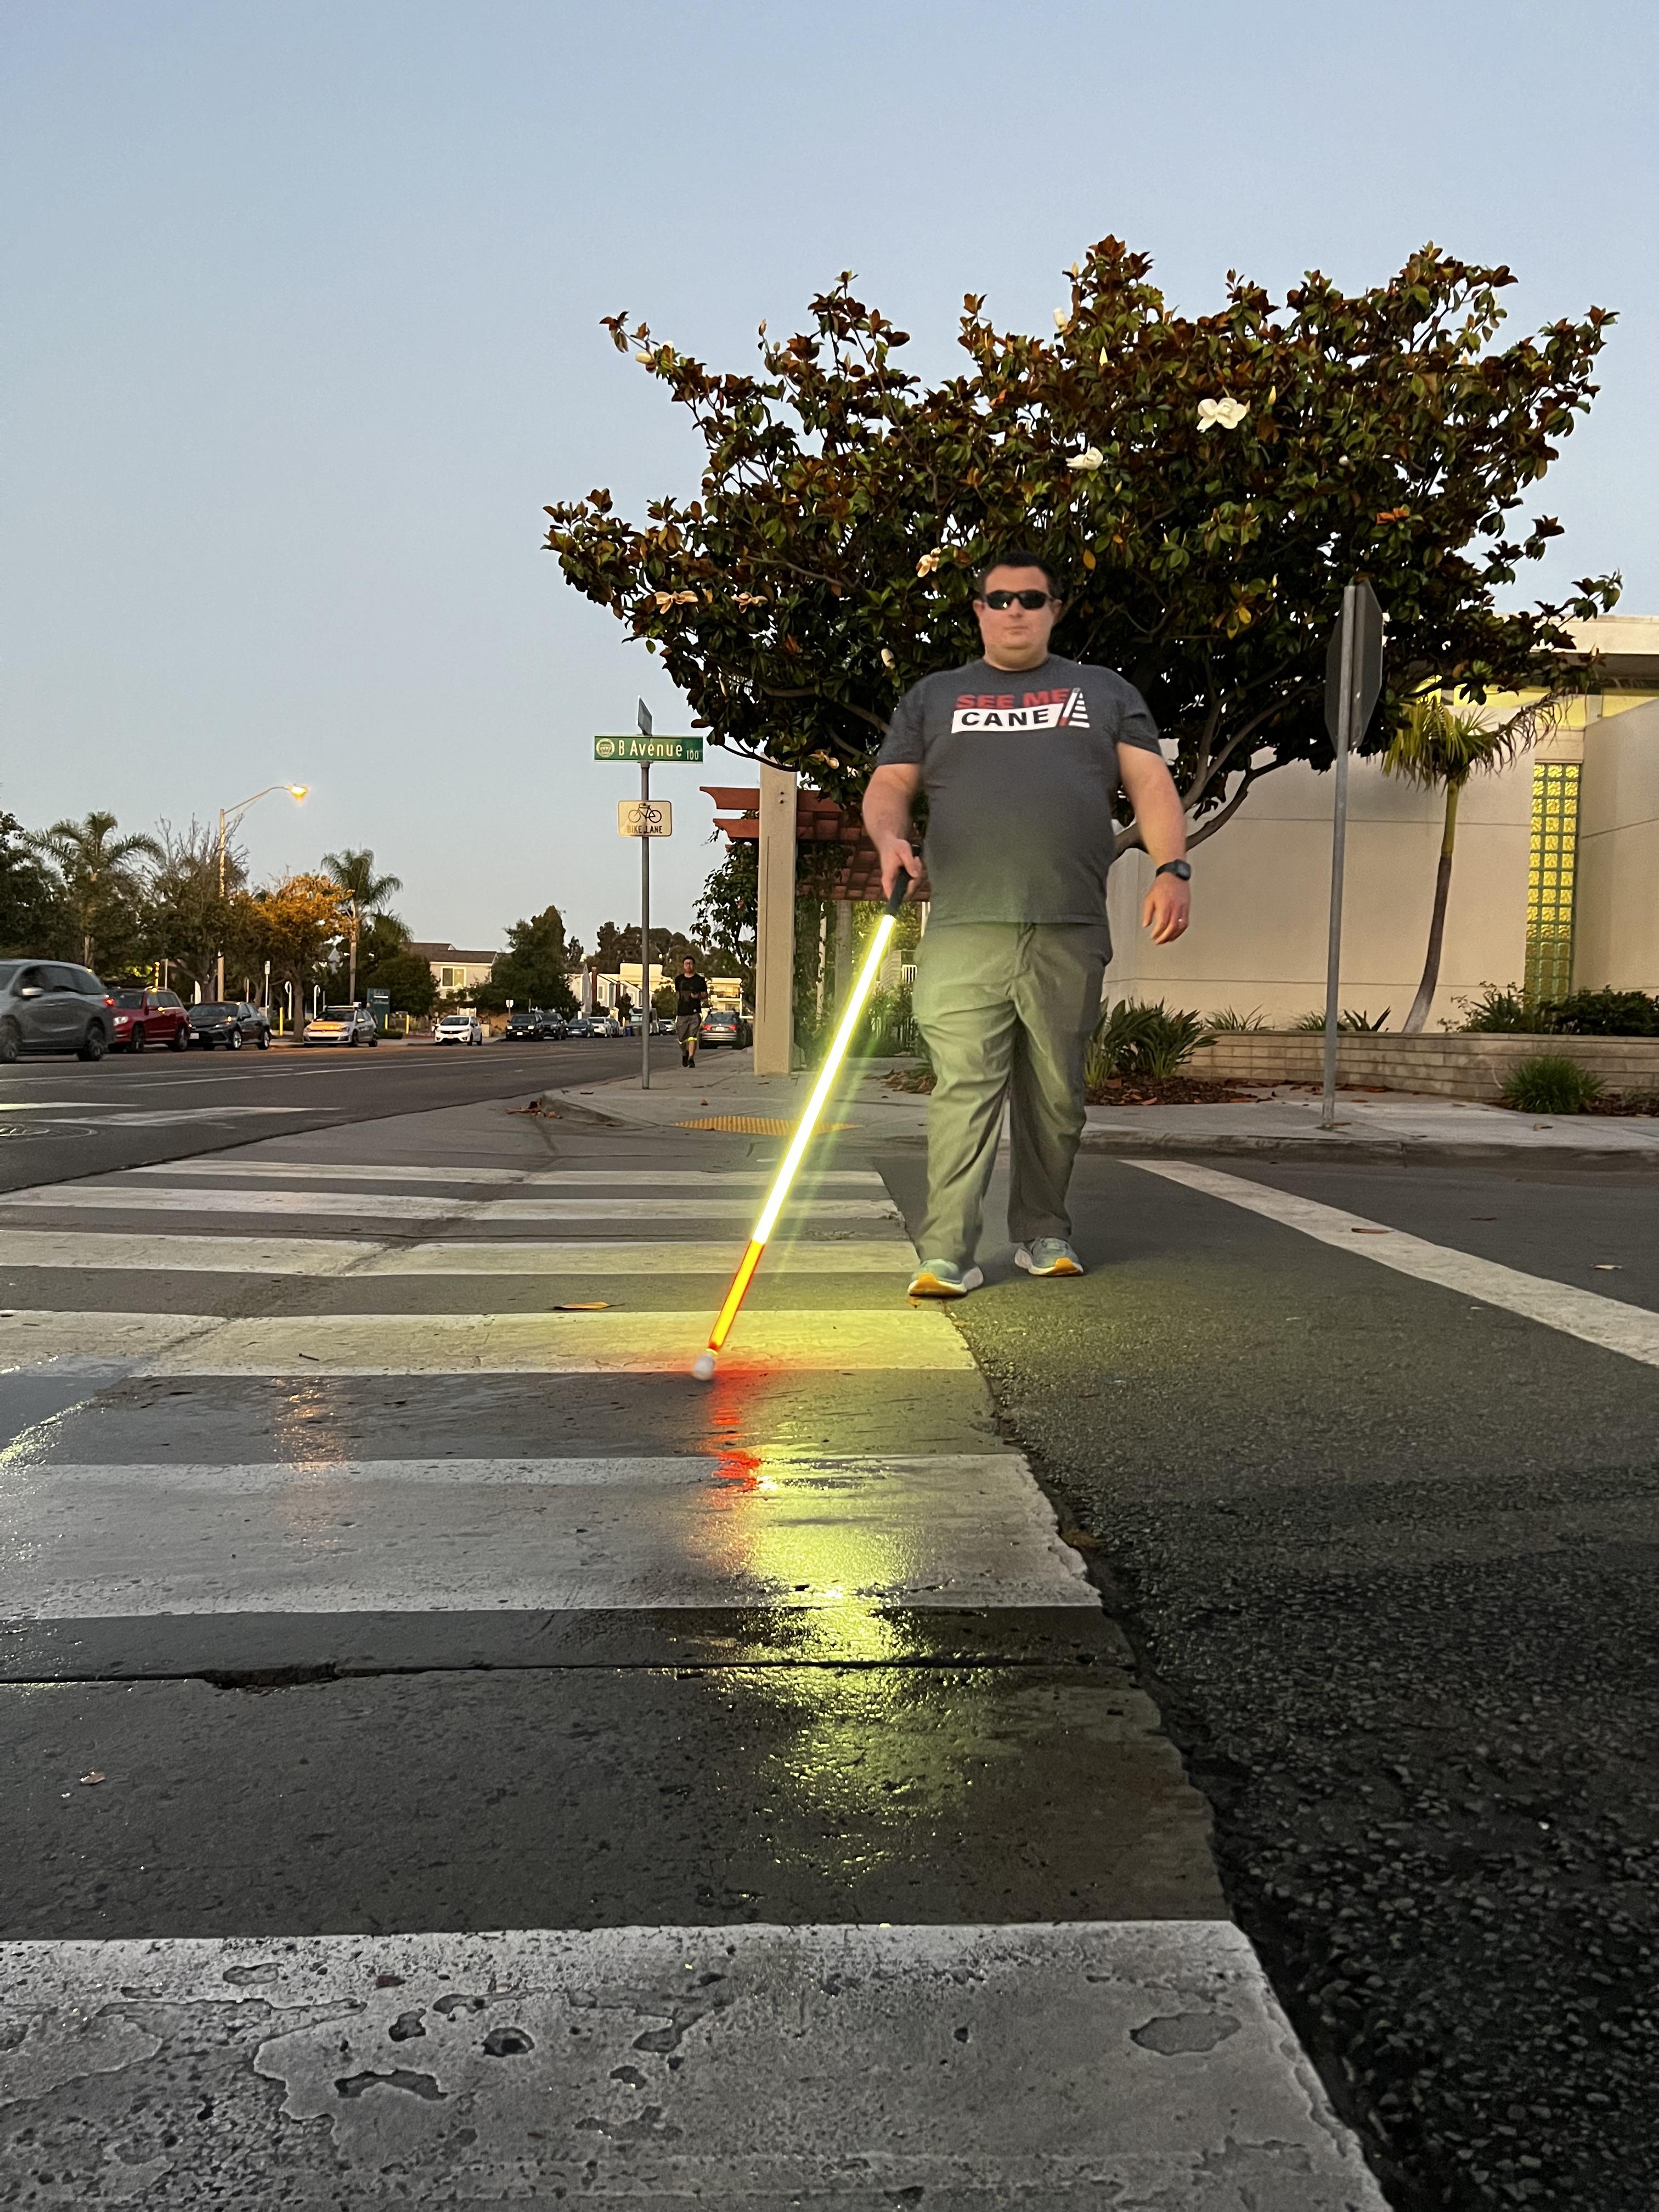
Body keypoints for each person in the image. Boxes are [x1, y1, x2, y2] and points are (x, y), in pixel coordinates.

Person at [863, 551, 1191, 1297]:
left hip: (1067, 928)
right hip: (964, 931)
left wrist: (1173, 869)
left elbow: (1151, 784)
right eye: (1000, 598)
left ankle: (1044, 1233)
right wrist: (890, 837)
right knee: (962, 1091)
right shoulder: (934, 697)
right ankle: (947, 1250)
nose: (1015, 609)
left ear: (1054, 609)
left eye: (1031, 599)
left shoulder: (1103, 694)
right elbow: (890, 787)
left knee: (1055, 1096)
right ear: (978, 609)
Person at [673, 956, 710, 1068]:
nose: (689, 965)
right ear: (683, 966)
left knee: (692, 1037)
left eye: (691, 963)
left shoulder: (699, 980)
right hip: (682, 1013)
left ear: (694, 965)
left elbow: (705, 995)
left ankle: (691, 1059)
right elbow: (677, 994)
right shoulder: (679, 979)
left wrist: (698, 996)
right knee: (681, 1039)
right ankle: (685, 1054)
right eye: (687, 964)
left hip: (694, 1012)